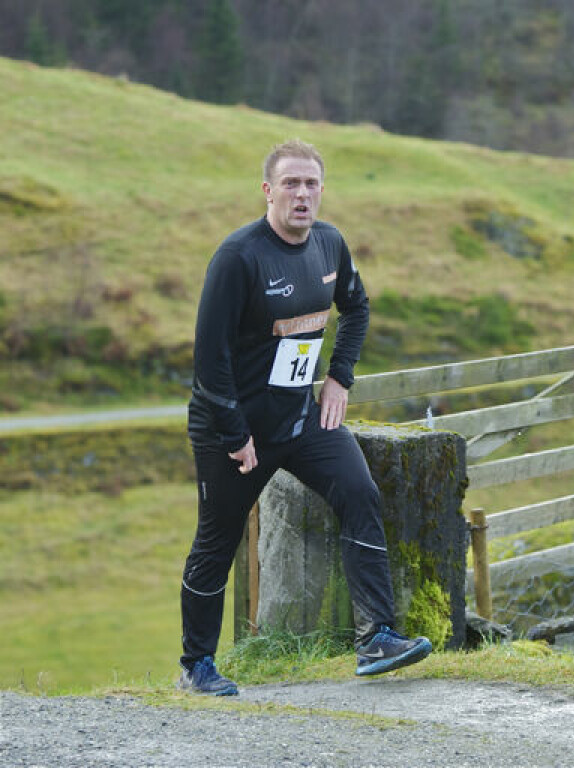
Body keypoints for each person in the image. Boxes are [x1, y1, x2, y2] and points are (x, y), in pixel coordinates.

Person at [177, 139, 432, 696]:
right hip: (234, 433)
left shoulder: (330, 245)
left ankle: (378, 637)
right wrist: (235, 434)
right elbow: (209, 359)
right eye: (290, 183)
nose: (302, 194)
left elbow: (357, 308)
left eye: (311, 184)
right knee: (215, 546)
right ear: (268, 191)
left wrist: (340, 375)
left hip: (301, 420)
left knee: (359, 492)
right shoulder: (238, 257)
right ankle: (197, 665)